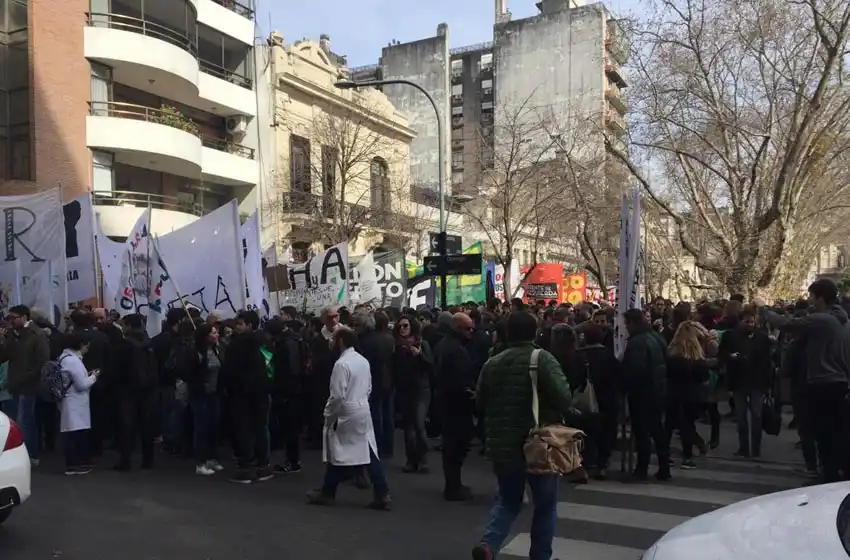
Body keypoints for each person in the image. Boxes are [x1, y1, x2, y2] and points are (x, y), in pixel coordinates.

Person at [472, 311, 573, 560]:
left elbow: (480, 401)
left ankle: (488, 545)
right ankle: (540, 555)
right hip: (538, 442)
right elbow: (564, 397)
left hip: (502, 444)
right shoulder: (542, 359)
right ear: (535, 332)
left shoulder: (492, 362)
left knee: (508, 500)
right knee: (545, 505)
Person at [757, 279, 850, 483]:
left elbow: (788, 324)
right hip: (838, 383)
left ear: (820, 298)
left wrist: (763, 308)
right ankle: (833, 473)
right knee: (834, 432)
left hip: (823, 383)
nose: (809, 301)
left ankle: (828, 477)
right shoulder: (842, 319)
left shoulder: (823, 320)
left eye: (812, 296)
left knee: (824, 433)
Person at [307, 327, 391, 510]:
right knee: (367, 451)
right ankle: (381, 491)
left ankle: (328, 493)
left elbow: (337, 395)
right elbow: (369, 387)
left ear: (341, 341)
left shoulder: (341, 365)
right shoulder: (362, 360)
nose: (330, 342)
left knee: (337, 452)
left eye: (333, 339)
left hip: (346, 412)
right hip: (362, 409)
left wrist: (329, 413)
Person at [221, 309, 273, 484]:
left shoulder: (236, 345)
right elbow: (271, 367)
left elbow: (229, 370)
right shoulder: (266, 342)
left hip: (240, 394)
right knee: (261, 428)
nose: (236, 327)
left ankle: (246, 467)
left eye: (240, 324)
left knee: (244, 429)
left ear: (249, 325)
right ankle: (263, 465)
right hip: (262, 392)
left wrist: (230, 387)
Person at [621, 308, 671, 482]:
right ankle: (664, 467)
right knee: (657, 430)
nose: (626, 327)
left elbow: (636, 370)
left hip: (642, 393)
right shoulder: (656, 337)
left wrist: (625, 386)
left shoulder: (637, 343)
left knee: (642, 432)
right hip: (658, 390)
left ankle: (642, 469)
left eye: (627, 324)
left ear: (633, 323)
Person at [718, 305, 773, 458]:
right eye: (747, 322)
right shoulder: (730, 336)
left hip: (757, 382)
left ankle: (756, 448)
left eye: (752, 322)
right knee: (741, 416)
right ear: (740, 321)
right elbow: (722, 353)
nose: (749, 324)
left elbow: (767, 362)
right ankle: (743, 447)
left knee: (757, 415)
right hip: (738, 381)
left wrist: (768, 384)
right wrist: (731, 357)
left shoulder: (761, 338)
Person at [434, 313, 478, 501]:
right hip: (457, 404)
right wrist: (469, 393)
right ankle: (453, 486)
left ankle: (453, 484)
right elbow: (459, 379)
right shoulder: (455, 350)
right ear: (457, 328)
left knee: (453, 446)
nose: (471, 333)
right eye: (467, 329)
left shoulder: (446, 345)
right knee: (457, 446)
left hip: (448, 401)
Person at [0, 305, 51, 466]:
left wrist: (25, 377)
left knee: (25, 421)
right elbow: (5, 356)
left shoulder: (37, 335)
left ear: (24, 317)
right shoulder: (12, 335)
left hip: (28, 386)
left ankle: (32, 454)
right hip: (14, 385)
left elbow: (42, 361)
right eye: (9, 318)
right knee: (15, 422)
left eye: (13, 318)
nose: (11, 321)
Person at [112, 313, 159, 471]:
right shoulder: (149, 343)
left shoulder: (123, 345)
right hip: (147, 390)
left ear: (129, 326)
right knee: (147, 425)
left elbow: (116, 369)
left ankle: (125, 460)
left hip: (127, 390)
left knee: (127, 426)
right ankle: (148, 460)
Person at [666, 321, 710, 469]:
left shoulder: (671, 354)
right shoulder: (696, 357)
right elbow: (704, 378)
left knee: (668, 425)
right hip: (691, 395)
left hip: (672, 393)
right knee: (688, 426)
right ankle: (687, 457)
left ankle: (665, 455)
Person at [393, 315, 433, 473]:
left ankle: (423, 459)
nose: (402, 329)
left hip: (421, 390)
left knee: (419, 424)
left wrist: (420, 355)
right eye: (400, 326)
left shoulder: (422, 344)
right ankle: (411, 459)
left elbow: (431, 366)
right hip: (405, 390)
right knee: (408, 427)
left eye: (405, 326)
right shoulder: (397, 347)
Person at [58, 332, 100, 475]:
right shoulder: (73, 361)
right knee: (76, 434)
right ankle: (75, 465)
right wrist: (94, 377)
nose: (87, 348)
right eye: (86, 345)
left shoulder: (64, 358)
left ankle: (73, 464)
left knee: (71, 432)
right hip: (75, 402)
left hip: (68, 401)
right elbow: (81, 385)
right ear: (80, 344)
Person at [185, 323, 224, 476]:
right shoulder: (195, 352)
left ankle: (211, 458)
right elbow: (189, 372)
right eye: (213, 333)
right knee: (201, 428)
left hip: (214, 393)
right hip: (200, 394)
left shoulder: (216, 350)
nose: (217, 335)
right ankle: (200, 462)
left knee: (214, 426)